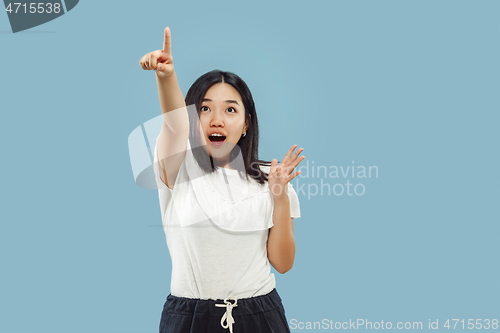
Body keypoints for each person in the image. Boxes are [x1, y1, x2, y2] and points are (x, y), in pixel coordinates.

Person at [139, 26, 305, 333]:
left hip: (260, 314)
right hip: (189, 317)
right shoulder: (177, 168)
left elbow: (282, 263)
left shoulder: (271, 178)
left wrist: (279, 197)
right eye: (204, 109)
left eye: (230, 109)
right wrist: (166, 76)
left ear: (245, 123)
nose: (217, 119)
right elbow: (174, 125)